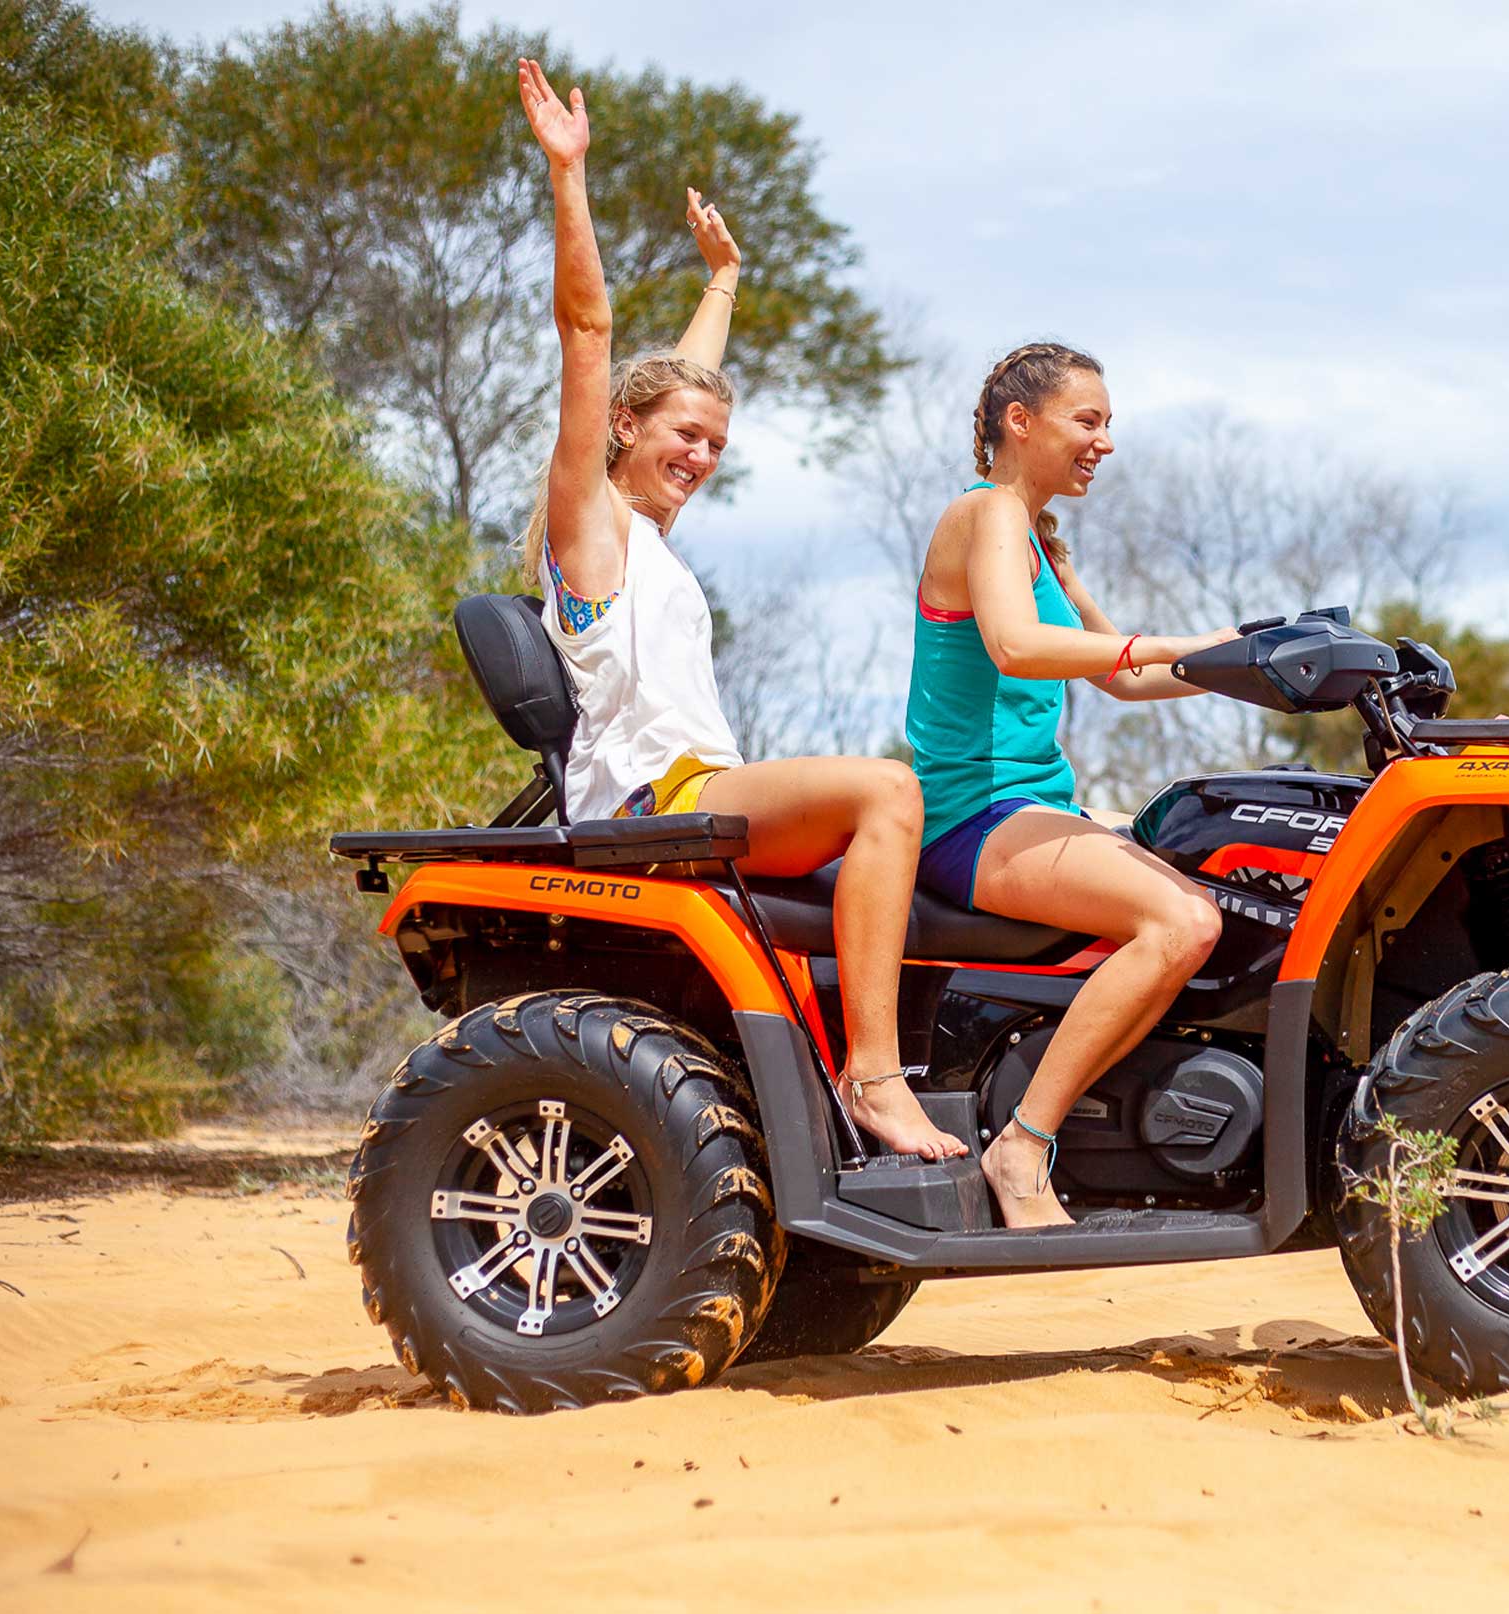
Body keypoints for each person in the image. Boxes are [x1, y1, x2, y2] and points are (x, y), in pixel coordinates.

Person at [516, 59, 961, 1162]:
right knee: (885, 793)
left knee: (923, 813)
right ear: (621, 428)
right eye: (684, 439)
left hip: (700, 787)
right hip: (652, 799)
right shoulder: (586, 528)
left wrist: (724, 280)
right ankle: (873, 1078)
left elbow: (677, 383)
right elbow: (591, 343)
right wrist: (568, 179)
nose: (703, 458)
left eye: (718, 447)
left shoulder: (647, 539)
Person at [906, 342, 1239, 1225]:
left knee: (1234, 893)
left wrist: (1248, 661)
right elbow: (1017, 646)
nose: (1105, 443)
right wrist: (1168, 643)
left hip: (1035, 805)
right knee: (1182, 920)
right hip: (971, 815)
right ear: (1022, 422)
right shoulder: (985, 515)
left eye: (1108, 426)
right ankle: (1021, 1146)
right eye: (1087, 422)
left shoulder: (1039, 535)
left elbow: (1122, 676)